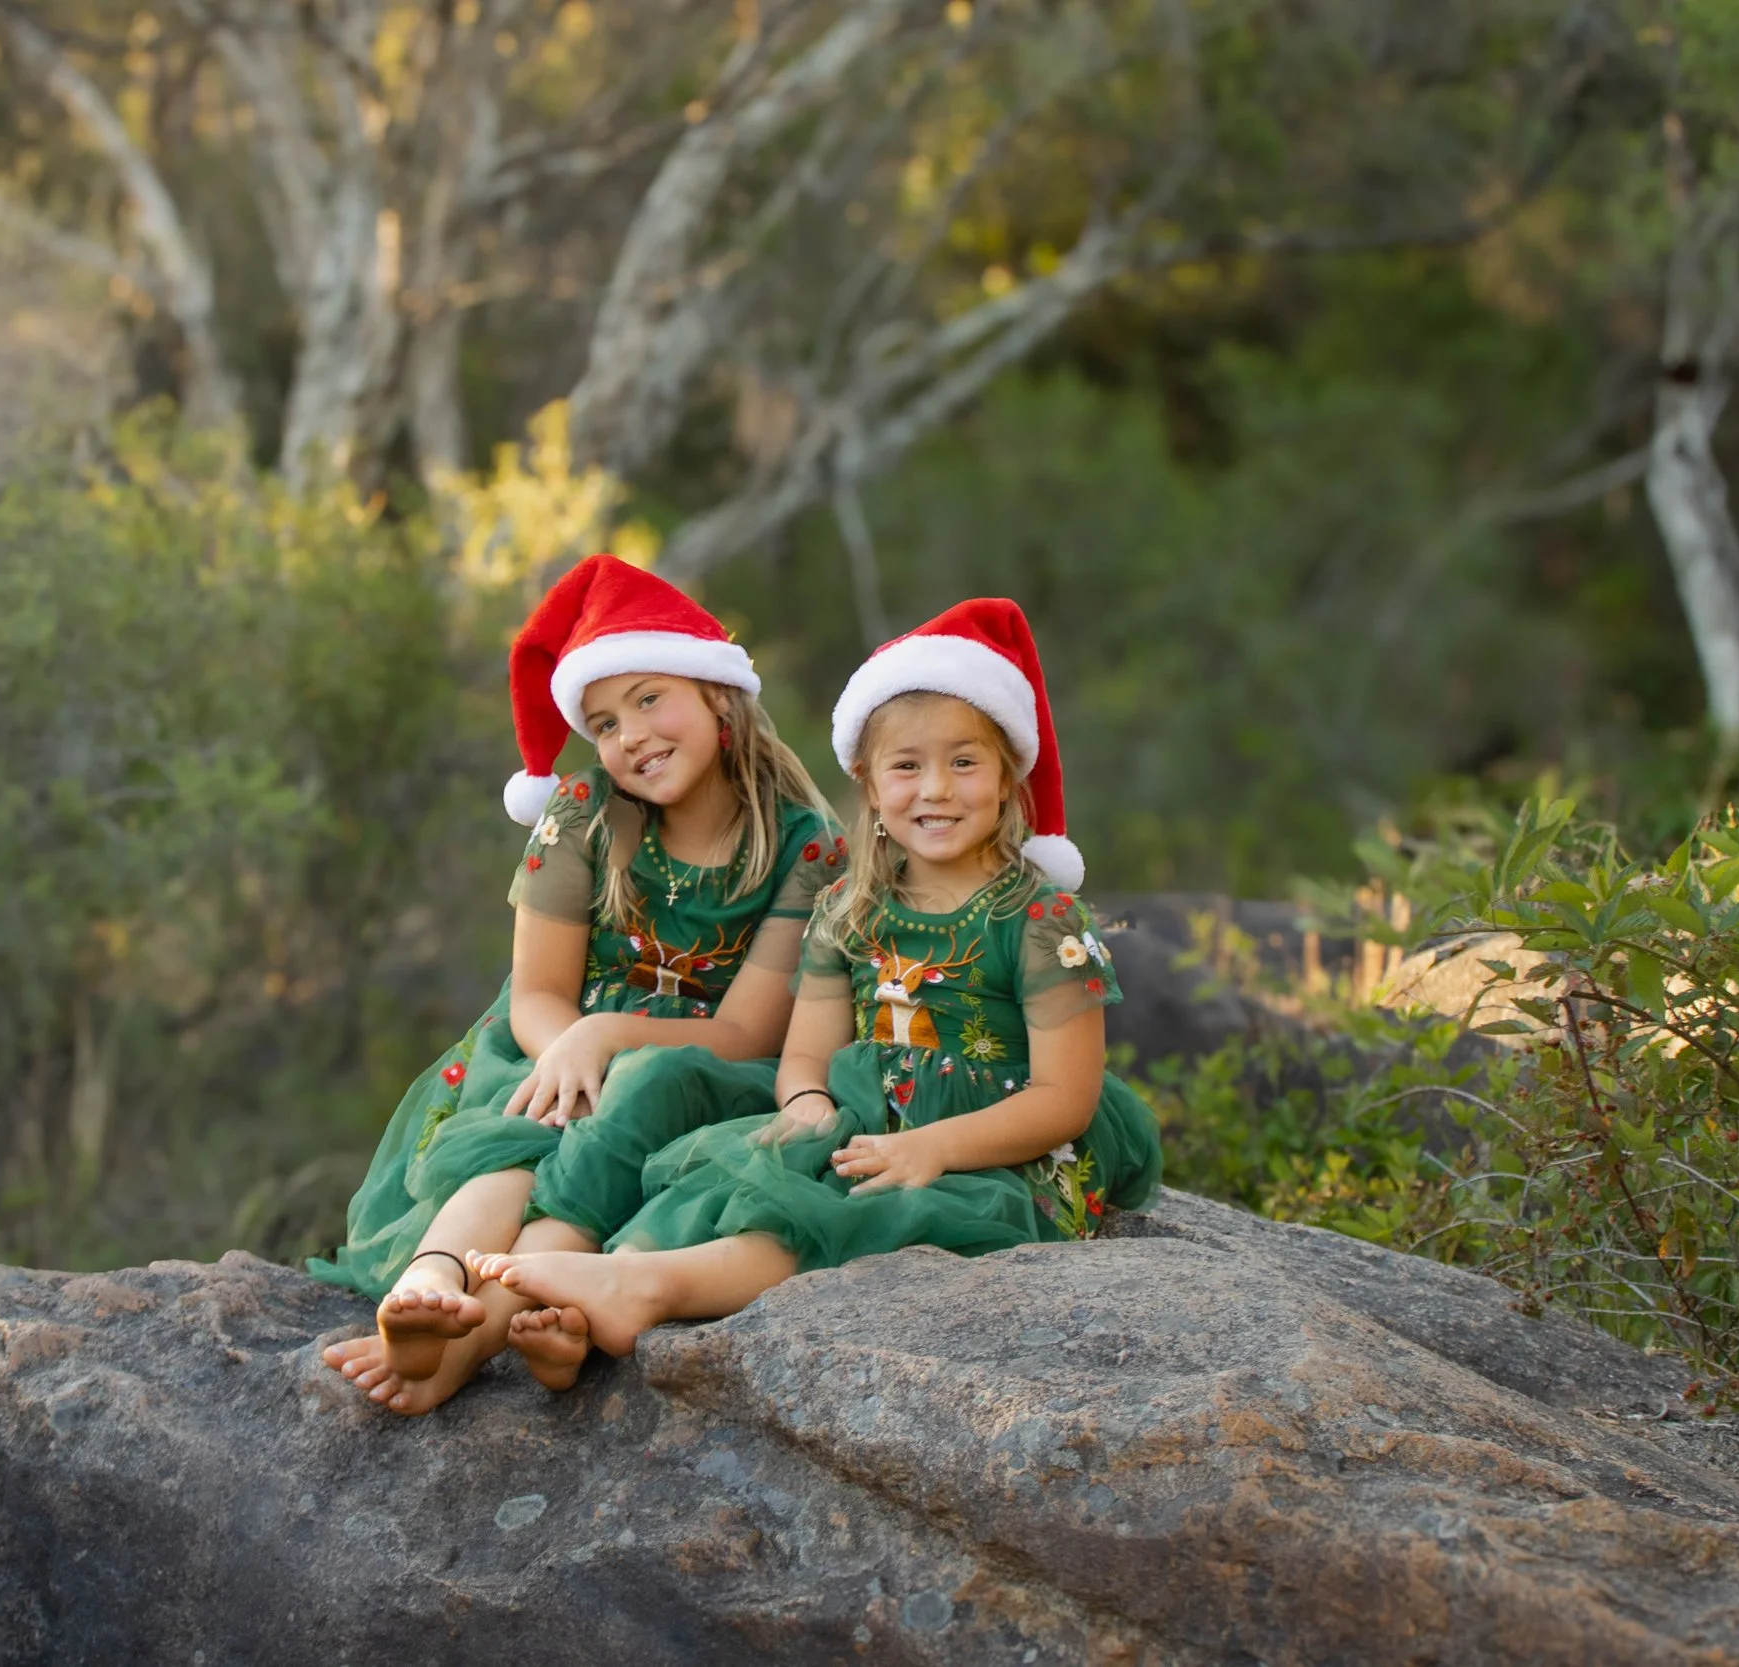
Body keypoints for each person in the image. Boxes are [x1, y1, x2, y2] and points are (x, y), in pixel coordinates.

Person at [470, 597, 1163, 1380]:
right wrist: (804, 1101)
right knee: (747, 1175)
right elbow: (804, 1055)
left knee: (880, 1214)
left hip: (1002, 1147)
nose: (935, 788)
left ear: (1008, 777)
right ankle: (590, 1303)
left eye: (964, 762)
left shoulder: (1040, 919)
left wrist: (935, 1147)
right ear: (868, 781)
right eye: (907, 766)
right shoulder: (849, 912)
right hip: (876, 1118)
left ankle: (645, 1286)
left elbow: (1064, 1097)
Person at [309, 553, 838, 1412]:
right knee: (533, 1135)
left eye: (648, 699)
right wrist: (578, 1048)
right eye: (603, 720)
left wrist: (611, 1040)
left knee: (625, 1108)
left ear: (717, 696)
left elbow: (747, 1035)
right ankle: (429, 1283)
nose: (630, 734)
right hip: (553, 1047)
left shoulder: (804, 846)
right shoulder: (584, 812)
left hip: (701, 1071)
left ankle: (462, 1348)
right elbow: (537, 995)